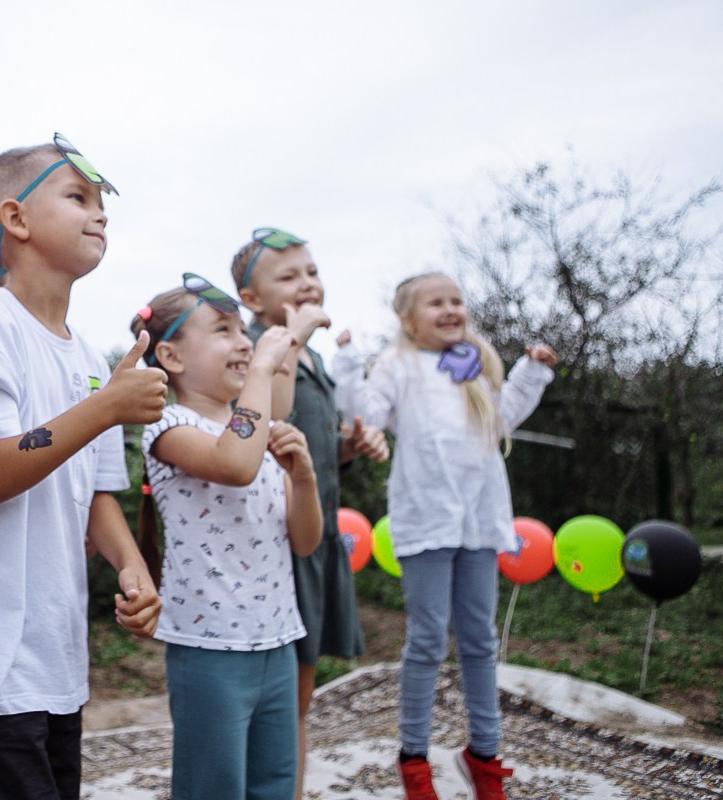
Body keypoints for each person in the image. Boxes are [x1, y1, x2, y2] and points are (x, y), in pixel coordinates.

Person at [0, 133, 166, 800]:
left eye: (103, 201)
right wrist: (102, 410)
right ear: (15, 219)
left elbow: (99, 495)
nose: (99, 213)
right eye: (78, 196)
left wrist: (133, 568)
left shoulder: (90, 362)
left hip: (54, 659)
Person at [331, 272, 558, 800]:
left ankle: (484, 754)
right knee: (428, 639)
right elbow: (366, 414)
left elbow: (501, 421)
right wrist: (345, 363)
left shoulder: (475, 364)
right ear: (409, 320)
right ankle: (414, 760)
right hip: (426, 523)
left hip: (479, 522)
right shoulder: (399, 364)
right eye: (437, 303)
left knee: (480, 639)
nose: (451, 309)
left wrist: (530, 373)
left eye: (457, 300)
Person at [133, 273, 323, 800]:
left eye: (244, 331)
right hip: (210, 649)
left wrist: (303, 477)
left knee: (275, 784)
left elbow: (305, 542)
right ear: (171, 356)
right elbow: (234, 463)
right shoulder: (168, 426)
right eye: (223, 330)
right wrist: (266, 365)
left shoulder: (257, 429)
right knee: (211, 787)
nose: (243, 342)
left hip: (278, 642)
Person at [231, 226, 389, 798]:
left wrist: (351, 447)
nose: (308, 283)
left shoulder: (316, 359)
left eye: (312, 272)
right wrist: (291, 337)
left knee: (299, 693)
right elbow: (263, 427)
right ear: (251, 300)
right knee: (279, 703)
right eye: (289, 275)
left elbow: (304, 451)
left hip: (315, 536)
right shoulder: (250, 352)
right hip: (273, 545)